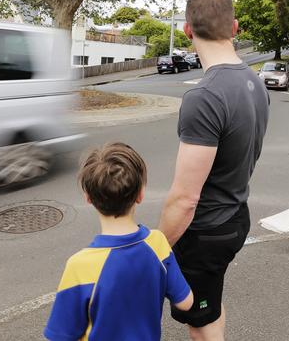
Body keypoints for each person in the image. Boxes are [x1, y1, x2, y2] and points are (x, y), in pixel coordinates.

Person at [158, 0, 270, 341]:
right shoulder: (256, 82)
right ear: (234, 27)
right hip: (236, 216)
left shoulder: (205, 97)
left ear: (188, 30)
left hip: (207, 231)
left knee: (200, 321)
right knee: (212, 305)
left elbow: (185, 199)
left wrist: (156, 249)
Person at [44, 142, 193, 341]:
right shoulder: (157, 244)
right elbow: (186, 302)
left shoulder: (80, 266)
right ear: (140, 195)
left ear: (88, 197)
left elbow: (60, 335)